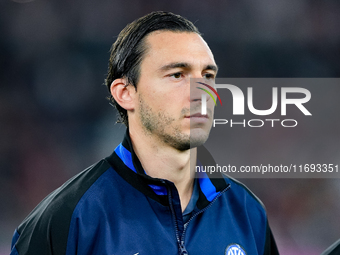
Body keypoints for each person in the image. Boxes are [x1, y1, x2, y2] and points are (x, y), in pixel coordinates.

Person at [10, 11, 279, 255]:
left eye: (207, 75)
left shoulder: (248, 212)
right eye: (177, 75)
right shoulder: (68, 218)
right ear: (125, 93)